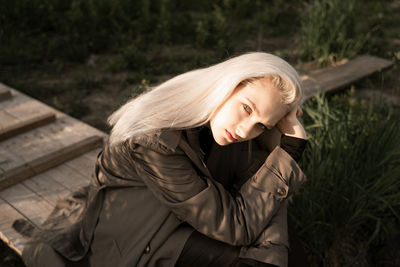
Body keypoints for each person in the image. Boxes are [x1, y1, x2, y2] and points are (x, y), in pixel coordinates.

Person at [19, 52, 308, 267]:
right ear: (226, 85)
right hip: (133, 239)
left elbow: (264, 195)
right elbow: (236, 224)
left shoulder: (232, 128)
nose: (246, 130)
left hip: (183, 223)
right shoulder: (155, 140)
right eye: (246, 108)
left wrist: (272, 255)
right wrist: (291, 149)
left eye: (262, 125)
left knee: (280, 245)